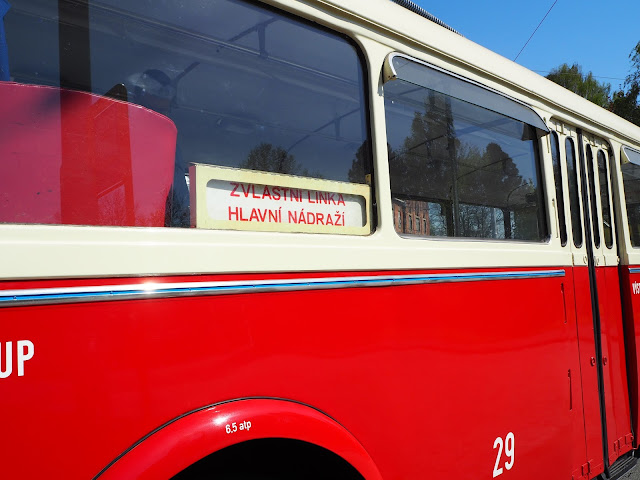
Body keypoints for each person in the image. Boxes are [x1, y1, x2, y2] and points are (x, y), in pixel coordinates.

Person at [132, 69, 190, 227]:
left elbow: (181, 203)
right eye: (151, 111)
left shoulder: (170, 146)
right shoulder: (119, 137)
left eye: (163, 112)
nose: (160, 119)